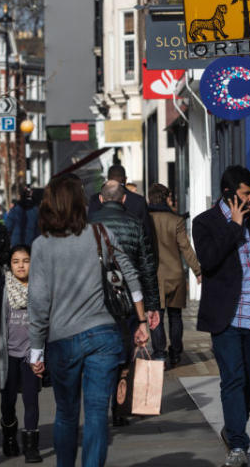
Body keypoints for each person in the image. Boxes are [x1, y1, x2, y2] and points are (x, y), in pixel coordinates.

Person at [28, 174, 150, 467]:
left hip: (62, 339)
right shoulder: (100, 233)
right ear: (80, 203)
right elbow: (131, 276)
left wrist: (35, 349)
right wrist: (142, 320)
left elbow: (39, 301)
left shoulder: (41, 246)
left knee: (67, 414)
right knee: (97, 414)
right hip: (102, 335)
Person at [192, 165, 250, 467]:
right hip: (227, 317)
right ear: (229, 195)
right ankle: (239, 446)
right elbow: (209, 261)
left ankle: (233, 426)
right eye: (246, 193)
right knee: (233, 379)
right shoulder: (204, 223)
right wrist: (234, 226)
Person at [89, 180, 161, 426]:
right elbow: (147, 266)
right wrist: (152, 305)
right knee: (127, 353)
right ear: (123, 200)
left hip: (96, 299)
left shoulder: (89, 224)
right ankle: (120, 409)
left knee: (100, 355)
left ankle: (98, 408)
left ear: (100, 199)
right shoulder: (135, 223)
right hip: (129, 299)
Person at [147, 183, 201, 368]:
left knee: (157, 316)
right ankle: (176, 352)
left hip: (154, 276)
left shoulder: (146, 220)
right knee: (176, 316)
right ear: (166, 198)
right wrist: (197, 270)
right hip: (175, 274)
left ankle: (159, 353)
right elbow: (185, 247)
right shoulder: (175, 220)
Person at [0, 246, 43, 462]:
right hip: (8, 356)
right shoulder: (3, 288)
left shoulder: (40, 287)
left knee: (31, 400)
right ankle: (9, 437)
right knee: (8, 402)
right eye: (16, 261)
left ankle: (31, 446)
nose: (21, 265)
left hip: (30, 355)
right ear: (10, 264)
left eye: (26, 261)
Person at [88, 164, 156, 256]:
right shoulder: (138, 201)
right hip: (133, 257)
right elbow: (147, 234)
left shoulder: (95, 199)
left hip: (104, 256)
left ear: (108, 178)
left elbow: (90, 230)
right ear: (125, 179)